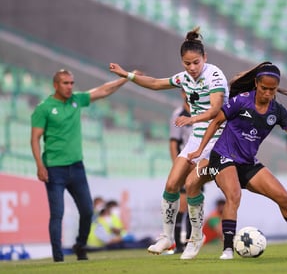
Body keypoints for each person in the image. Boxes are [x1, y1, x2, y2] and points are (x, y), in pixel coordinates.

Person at [109, 27, 229, 259]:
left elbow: (215, 110)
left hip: (219, 135)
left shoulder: (214, 75)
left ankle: (196, 237)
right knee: (172, 184)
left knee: (192, 184)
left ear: (205, 58)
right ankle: (167, 237)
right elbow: (154, 83)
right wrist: (127, 75)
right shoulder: (184, 78)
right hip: (197, 136)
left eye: (196, 62)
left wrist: (191, 118)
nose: (192, 68)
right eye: (187, 63)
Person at [187, 62, 287, 260]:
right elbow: (217, 121)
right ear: (256, 84)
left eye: (272, 90)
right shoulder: (241, 101)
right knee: (234, 195)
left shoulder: (278, 111)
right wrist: (200, 150)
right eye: (264, 88)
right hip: (223, 155)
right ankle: (228, 249)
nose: (267, 93)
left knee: (283, 197)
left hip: (247, 162)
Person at [30, 69, 128, 262]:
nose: (69, 87)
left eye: (72, 83)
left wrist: (127, 78)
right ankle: (58, 258)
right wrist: (40, 165)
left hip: (76, 167)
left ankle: (80, 245)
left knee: (87, 211)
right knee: (57, 213)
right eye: (65, 83)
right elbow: (35, 139)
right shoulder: (44, 108)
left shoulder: (77, 100)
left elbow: (103, 91)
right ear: (55, 85)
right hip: (54, 169)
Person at [169, 90, 192, 253]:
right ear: (182, 93)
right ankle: (178, 243)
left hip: (197, 165)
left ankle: (191, 242)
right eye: (185, 91)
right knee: (183, 205)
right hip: (184, 165)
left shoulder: (201, 112)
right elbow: (173, 142)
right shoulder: (178, 114)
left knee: (195, 204)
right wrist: (177, 166)